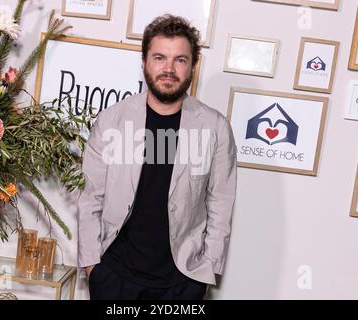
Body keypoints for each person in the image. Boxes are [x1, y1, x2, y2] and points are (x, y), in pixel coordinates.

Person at [78, 14, 237, 300]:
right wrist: (93, 268)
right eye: (160, 57)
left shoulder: (215, 128)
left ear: (193, 66)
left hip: (183, 283)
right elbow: (91, 198)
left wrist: (206, 270)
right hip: (113, 277)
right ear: (144, 63)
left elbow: (221, 204)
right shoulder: (112, 120)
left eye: (180, 59)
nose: (169, 69)